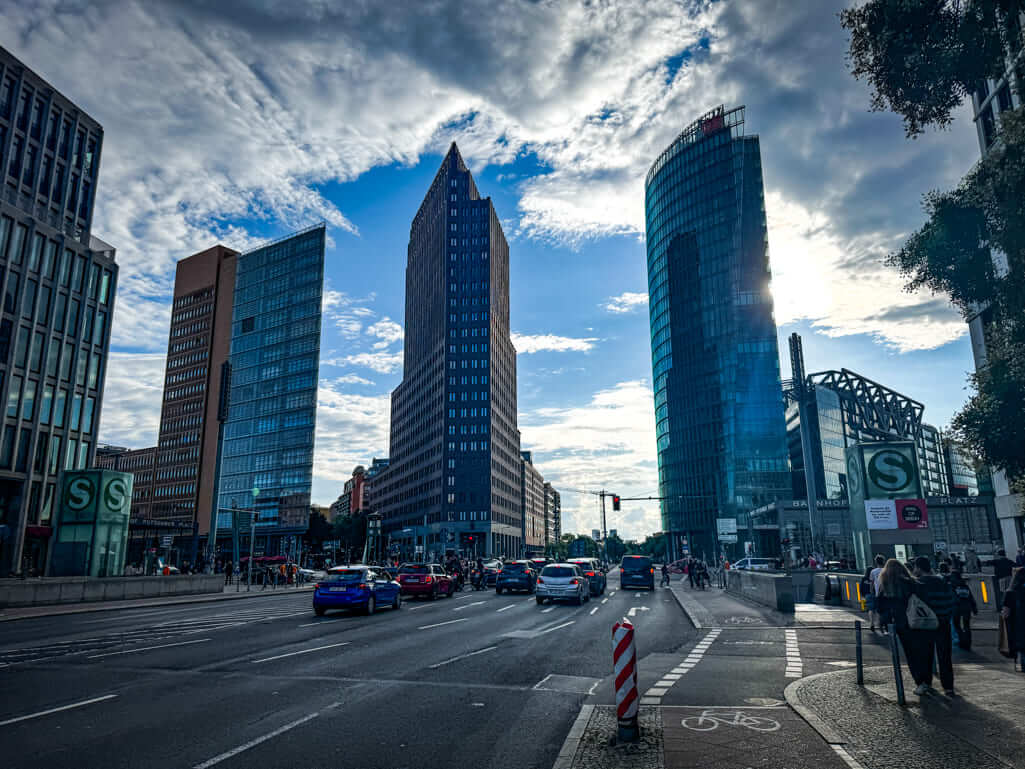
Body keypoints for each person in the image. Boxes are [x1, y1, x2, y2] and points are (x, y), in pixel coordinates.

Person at [877, 558, 932, 696]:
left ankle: (920, 682)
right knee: (923, 651)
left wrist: (885, 621)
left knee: (910, 653)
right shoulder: (911, 582)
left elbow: (881, 606)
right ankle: (928, 680)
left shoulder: (887, 585)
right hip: (918, 621)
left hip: (901, 623)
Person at [946, 566, 978, 650]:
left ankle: (961, 640)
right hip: (967, 608)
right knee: (967, 626)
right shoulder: (965, 585)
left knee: (957, 625)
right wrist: (974, 608)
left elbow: (950, 597)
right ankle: (968, 643)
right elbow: (971, 597)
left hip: (956, 608)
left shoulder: (951, 585)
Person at [1001, 567, 1025, 672]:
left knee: (1020, 647)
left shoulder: (1010, 592)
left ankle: (1020, 665)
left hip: (1017, 624)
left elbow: (1005, 613)